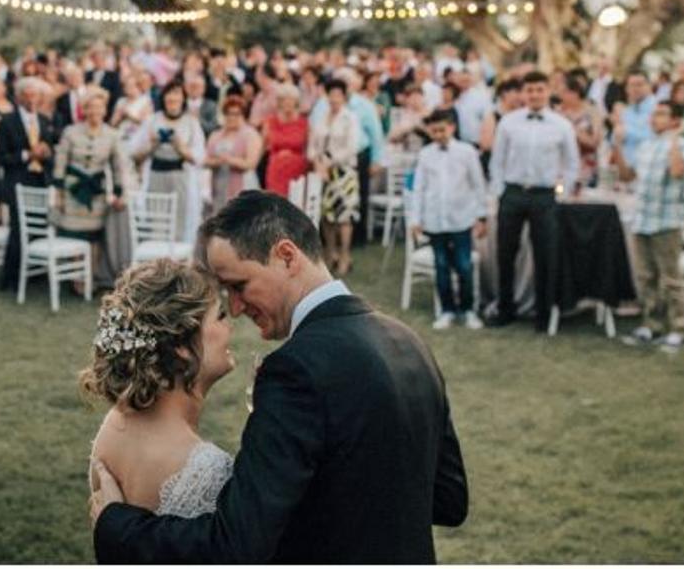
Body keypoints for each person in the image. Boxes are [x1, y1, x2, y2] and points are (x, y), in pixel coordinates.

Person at [90, 191, 468, 563]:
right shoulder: (410, 342)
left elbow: (237, 545)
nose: (235, 308)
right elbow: (449, 500)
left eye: (238, 285)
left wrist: (117, 525)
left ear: (286, 256)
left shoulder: (295, 370)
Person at [82, 259, 235, 516]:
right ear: (182, 346)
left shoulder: (114, 425)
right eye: (220, 316)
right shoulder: (209, 472)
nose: (230, 326)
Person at [488, 70, 580, 330]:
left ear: (548, 91)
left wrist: (561, 193)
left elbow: (572, 164)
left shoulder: (562, 126)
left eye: (539, 90)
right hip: (513, 193)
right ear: (523, 93)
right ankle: (505, 309)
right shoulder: (508, 122)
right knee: (505, 253)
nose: (535, 95)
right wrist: (499, 191)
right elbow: (497, 161)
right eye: (530, 90)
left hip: (544, 196)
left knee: (545, 256)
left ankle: (543, 313)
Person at [611, 100, 684, 351]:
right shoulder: (645, 146)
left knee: (671, 278)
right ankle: (651, 324)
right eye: (654, 114)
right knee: (645, 277)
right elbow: (628, 176)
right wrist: (616, 146)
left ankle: (679, 328)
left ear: (675, 120)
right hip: (643, 219)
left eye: (661, 114)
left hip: (668, 220)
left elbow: (678, 171)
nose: (653, 118)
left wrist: (675, 137)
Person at [408, 109, 488, 330]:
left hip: (461, 218)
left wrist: (481, 216)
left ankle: (469, 309)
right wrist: (416, 218)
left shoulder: (467, 152)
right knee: (441, 265)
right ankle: (447, 310)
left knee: (464, 265)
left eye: (442, 130)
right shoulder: (425, 154)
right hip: (435, 219)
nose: (438, 134)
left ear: (452, 127)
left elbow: (478, 184)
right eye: (434, 131)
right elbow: (419, 188)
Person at [52, 87, 127, 290]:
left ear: (105, 110)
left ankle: (90, 276)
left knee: (94, 237)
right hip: (73, 191)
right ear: (84, 110)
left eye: (99, 107)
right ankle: (76, 277)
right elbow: (60, 162)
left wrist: (119, 191)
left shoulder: (112, 134)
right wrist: (58, 192)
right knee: (76, 235)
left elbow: (119, 165)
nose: (95, 111)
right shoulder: (70, 131)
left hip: (96, 193)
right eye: (90, 107)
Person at [0, 77, 57, 289]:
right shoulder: (7, 121)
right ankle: (12, 277)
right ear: (19, 97)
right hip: (17, 181)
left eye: (36, 95)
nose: (32, 99)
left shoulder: (45, 121)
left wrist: (47, 153)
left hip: (41, 181)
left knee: (39, 226)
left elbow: (52, 151)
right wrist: (26, 155)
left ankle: (35, 274)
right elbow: (1, 156)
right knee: (18, 229)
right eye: (28, 95)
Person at [133, 80, 205, 244]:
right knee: (156, 223)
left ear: (183, 99)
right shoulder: (152, 120)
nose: (173, 98)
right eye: (169, 94)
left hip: (180, 176)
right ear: (164, 98)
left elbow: (199, 158)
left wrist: (180, 146)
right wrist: (153, 143)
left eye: (177, 94)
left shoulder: (191, 123)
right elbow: (135, 154)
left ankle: (177, 262)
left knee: (180, 221)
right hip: (156, 174)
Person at [308, 78, 360, 276]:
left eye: (338, 94)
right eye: (331, 94)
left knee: (344, 217)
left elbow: (351, 147)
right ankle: (331, 253)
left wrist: (329, 161)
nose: (334, 98)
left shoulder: (350, 118)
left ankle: (346, 255)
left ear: (344, 96)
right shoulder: (322, 117)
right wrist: (315, 160)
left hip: (343, 172)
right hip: (322, 172)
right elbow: (313, 143)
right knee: (327, 216)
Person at [204, 97, 262, 213]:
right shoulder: (216, 135)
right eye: (228, 114)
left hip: (243, 182)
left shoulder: (250, 135)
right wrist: (217, 161)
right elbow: (206, 159)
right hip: (219, 182)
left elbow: (251, 163)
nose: (232, 117)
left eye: (236, 114)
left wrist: (229, 159)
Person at [260, 83, 308, 198]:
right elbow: (263, 146)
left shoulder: (304, 123)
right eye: (284, 100)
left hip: (297, 169)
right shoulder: (270, 122)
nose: (287, 103)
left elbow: (308, 148)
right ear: (279, 102)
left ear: (296, 102)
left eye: (290, 100)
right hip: (276, 168)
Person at [557, 75, 603, 187]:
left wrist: (571, 127)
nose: (560, 96)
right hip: (562, 167)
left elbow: (595, 142)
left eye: (564, 92)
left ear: (575, 92)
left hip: (586, 166)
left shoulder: (592, 112)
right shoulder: (557, 112)